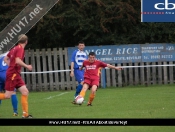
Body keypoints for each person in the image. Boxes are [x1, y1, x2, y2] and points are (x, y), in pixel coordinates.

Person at [0, 34, 33, 118]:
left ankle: (25, 114)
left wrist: (11, 66)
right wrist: (27, 66)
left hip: (15, 74)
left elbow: (5, 59)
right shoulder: (20, 49)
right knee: (7, 95)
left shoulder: (14, 48)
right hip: (12, 74)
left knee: (25, 91)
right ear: (26, 41)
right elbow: (18, 61)